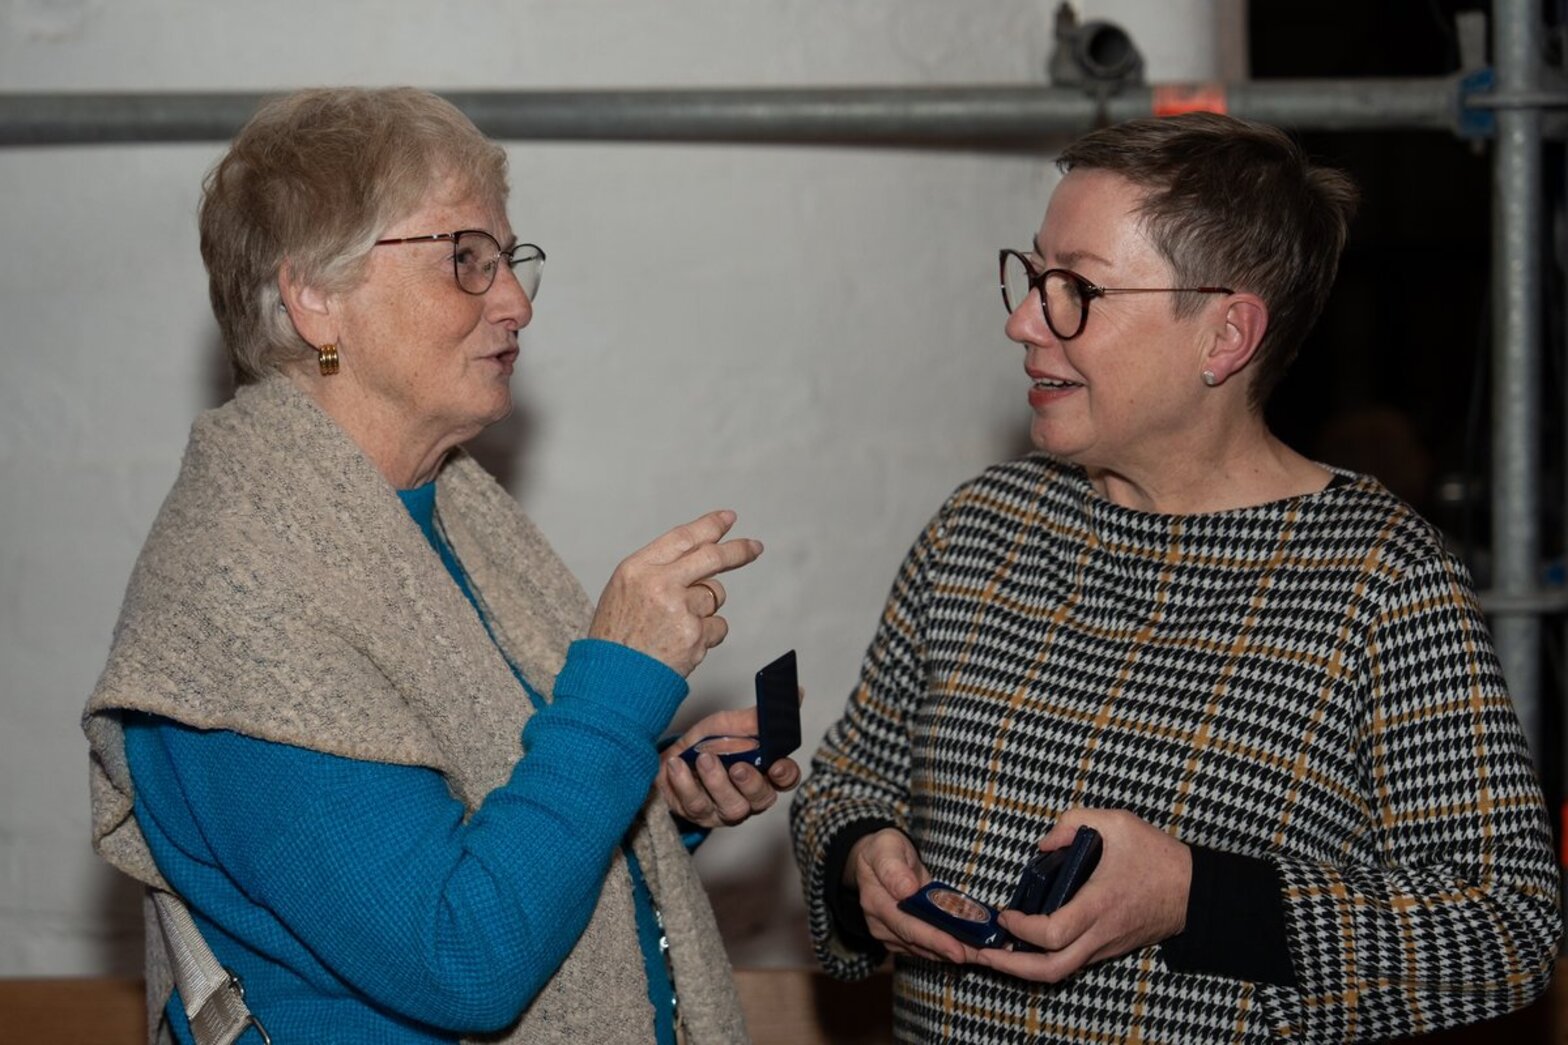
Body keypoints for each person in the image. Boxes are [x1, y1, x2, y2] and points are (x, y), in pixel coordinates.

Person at [790, 112, 1560, 1043]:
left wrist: (1196, 895)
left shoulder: (1380, 578)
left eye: (1077, 289)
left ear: (1225, 335)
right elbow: (846, 779)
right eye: (1033, 275)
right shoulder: (980, 528)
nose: (1023, 320)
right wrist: (861, 858)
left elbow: (1505, 929)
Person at [83, 86, 797, 1045]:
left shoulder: (445, 510)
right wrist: (617, 691)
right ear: (315, 298)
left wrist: (652, 791)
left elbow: (479, 818)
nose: (515, 301)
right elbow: (461, 955)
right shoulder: (236, 599)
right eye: (464, 258)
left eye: (507, 258)